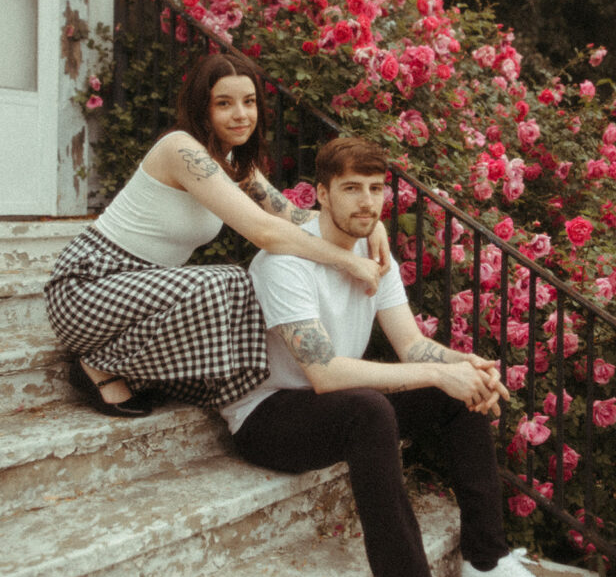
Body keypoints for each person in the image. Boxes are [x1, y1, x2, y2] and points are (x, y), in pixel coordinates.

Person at [223, 136, 584, 577]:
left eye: (375, 188)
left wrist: (464, 369)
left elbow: (411, 344)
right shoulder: (284, 260)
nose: (367, 201)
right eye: (351, 189)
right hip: (269, 414)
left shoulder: (373, 253)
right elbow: (323, 374)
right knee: (371, 410)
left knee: (456, 394)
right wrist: (433, 375)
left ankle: (486, 564)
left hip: (335, 400)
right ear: (320, 194)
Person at [45, 52, 388, 418]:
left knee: (239, 291)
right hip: (86, 287)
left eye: (249, 102)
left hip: (136, 297)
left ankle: (140, 372)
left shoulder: (236, 164)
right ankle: (98, 365)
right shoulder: (181, 149)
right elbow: (265, 231)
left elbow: (293, 215)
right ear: (202, 109)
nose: (241, 114)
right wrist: (349, 260)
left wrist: (369, 221)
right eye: (224, 103)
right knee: (228, 282)